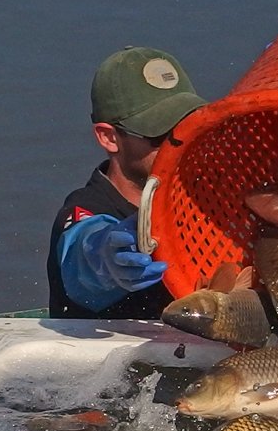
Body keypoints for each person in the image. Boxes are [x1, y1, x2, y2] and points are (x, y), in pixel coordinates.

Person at [47, 46, 207, 318]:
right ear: (108, 137)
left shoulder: (209, 199)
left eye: (188, 127)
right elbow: (82, 251)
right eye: (159, 136)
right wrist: (106, 260)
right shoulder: (85, 209)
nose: (178, 145)